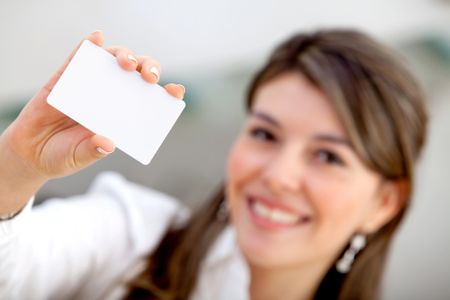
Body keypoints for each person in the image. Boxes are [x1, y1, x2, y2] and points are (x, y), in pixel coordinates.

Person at [0, 29, 428, 300]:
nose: (278, 176)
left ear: (385, 203)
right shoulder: (132, 237)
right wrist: (17, 164)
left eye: (328, 156)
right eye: (264, 134)